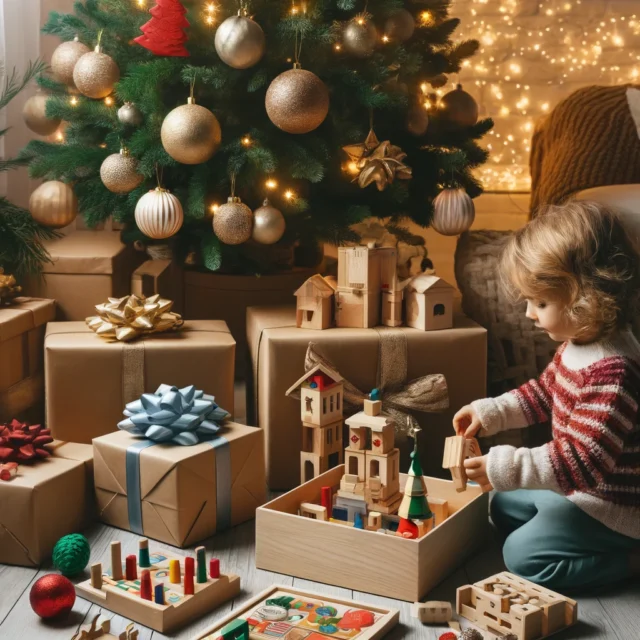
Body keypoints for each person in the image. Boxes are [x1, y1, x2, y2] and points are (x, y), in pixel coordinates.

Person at [453, 201, 640, 592]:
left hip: (614, 508)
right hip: (580, 491)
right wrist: (490, 413)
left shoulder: (614, 370)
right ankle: (560, 527)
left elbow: (582, 462)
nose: (529, 314)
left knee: (522, 556)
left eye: (540, 303)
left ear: (587, 297)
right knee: (502, 505)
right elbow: (543, 393)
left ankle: (628, 559)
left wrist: (502, 464)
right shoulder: (580, 342)